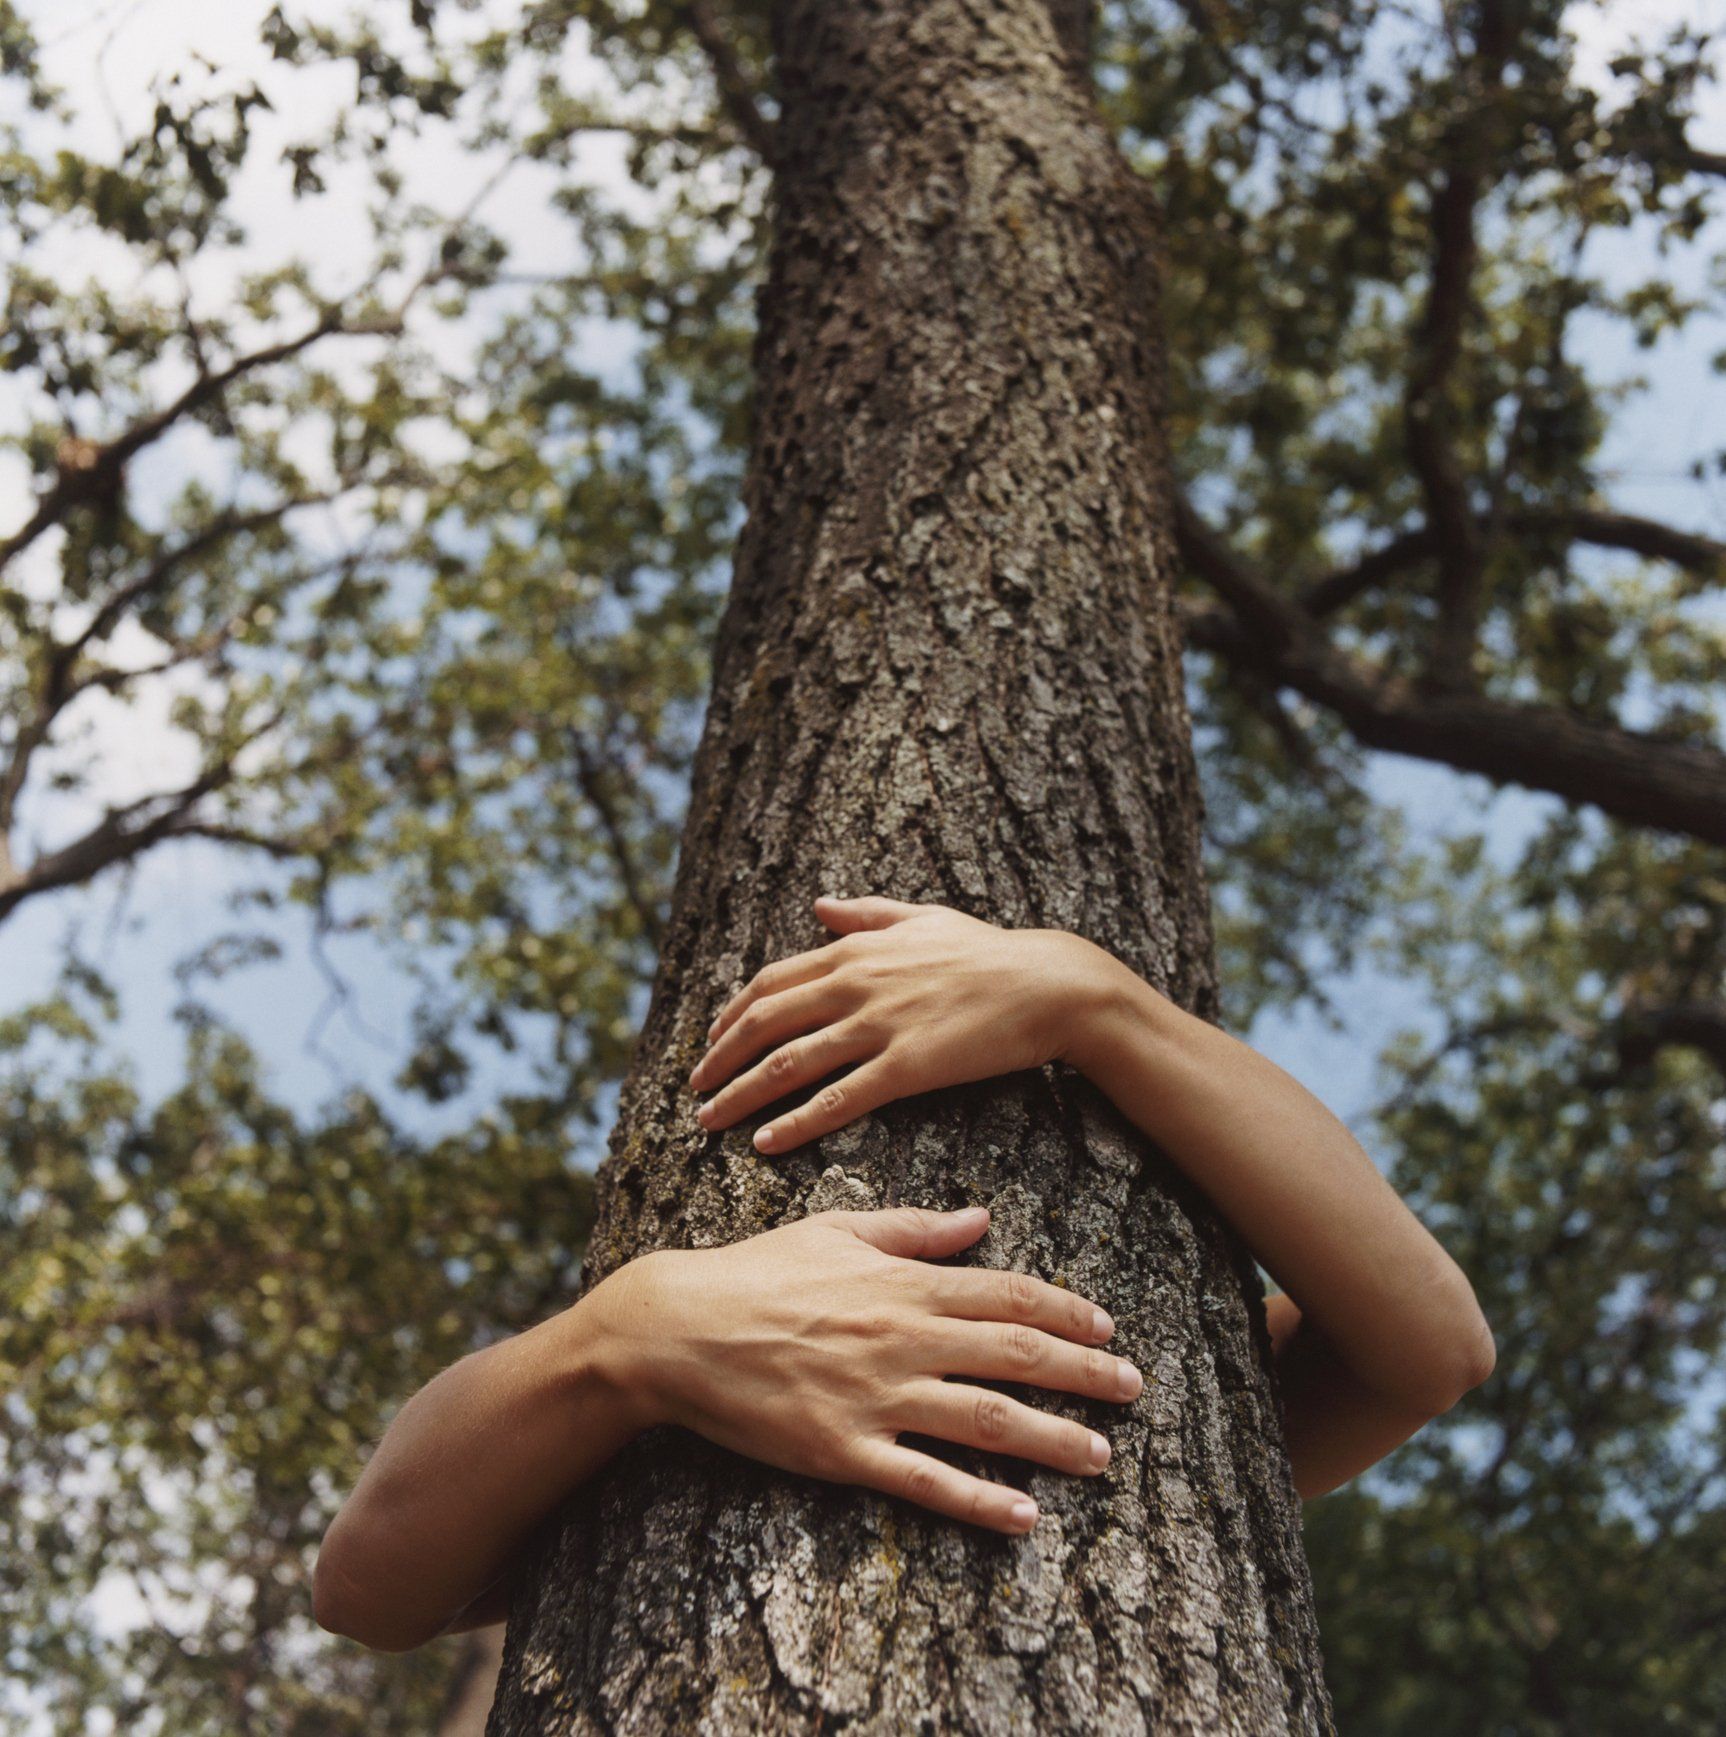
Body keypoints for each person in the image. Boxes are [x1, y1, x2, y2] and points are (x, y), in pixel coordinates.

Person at [313, 894, 1495, 1653]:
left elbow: (1430, 1346)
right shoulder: (600, 1439)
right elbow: (369, 1587)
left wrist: (1097, 1002)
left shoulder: (1180, 1401)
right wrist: (628, 1332)